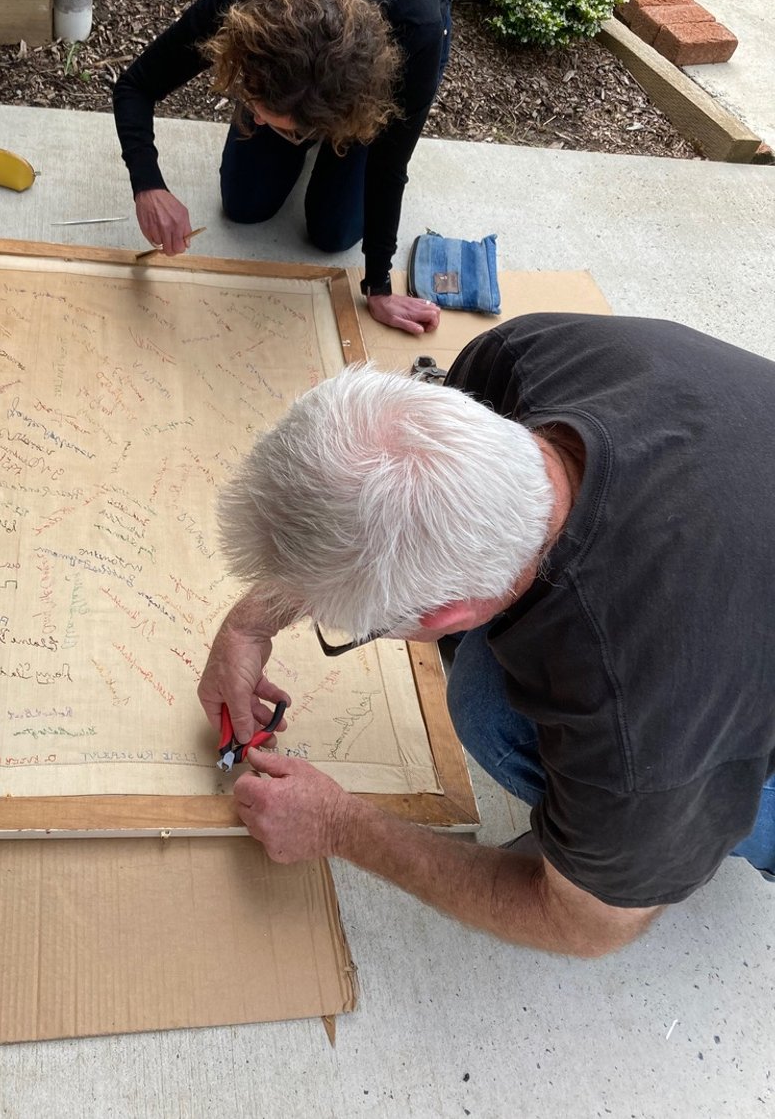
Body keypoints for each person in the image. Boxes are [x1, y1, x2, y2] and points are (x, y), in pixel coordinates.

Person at [197, 315, 775, 957]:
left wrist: (339, 826)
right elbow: (372, 494)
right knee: (483, 691)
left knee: (496, 724)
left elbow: (584, 930)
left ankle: (622, 852)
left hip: (710, 704)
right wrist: (248, 623)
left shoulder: (636, 730)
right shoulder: (518, 361)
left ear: (446, 611)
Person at [113, 0, 452, 336]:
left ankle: (332, 144)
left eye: (288, 127)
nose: (256, 119)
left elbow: (390, 166)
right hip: (291, 15)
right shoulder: (250, 4)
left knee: (332, 232)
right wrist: (148, 184)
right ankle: (284, 115)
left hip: (401, 20)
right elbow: (135, 86)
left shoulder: (415, 35)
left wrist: (378, 284)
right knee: (244, 204)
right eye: (256, 106)